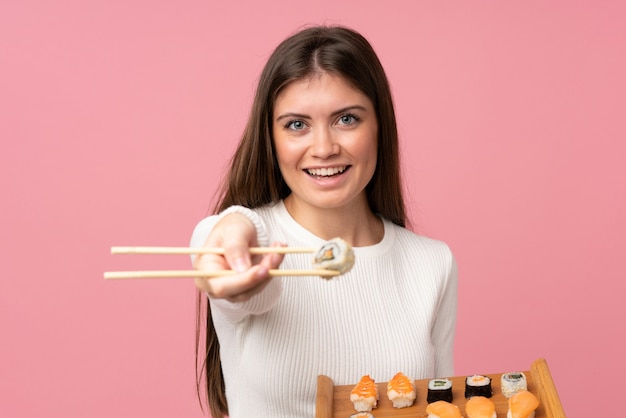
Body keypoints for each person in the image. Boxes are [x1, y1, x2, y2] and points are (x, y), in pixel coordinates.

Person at [190, 25, 458, 418]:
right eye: (296, 125)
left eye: (347, 119)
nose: (323, 148)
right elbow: (234, 259)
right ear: (271, 138)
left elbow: (440, 408)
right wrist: (239, 258)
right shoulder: (233, 243)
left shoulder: (433, 263)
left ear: (379, 127)